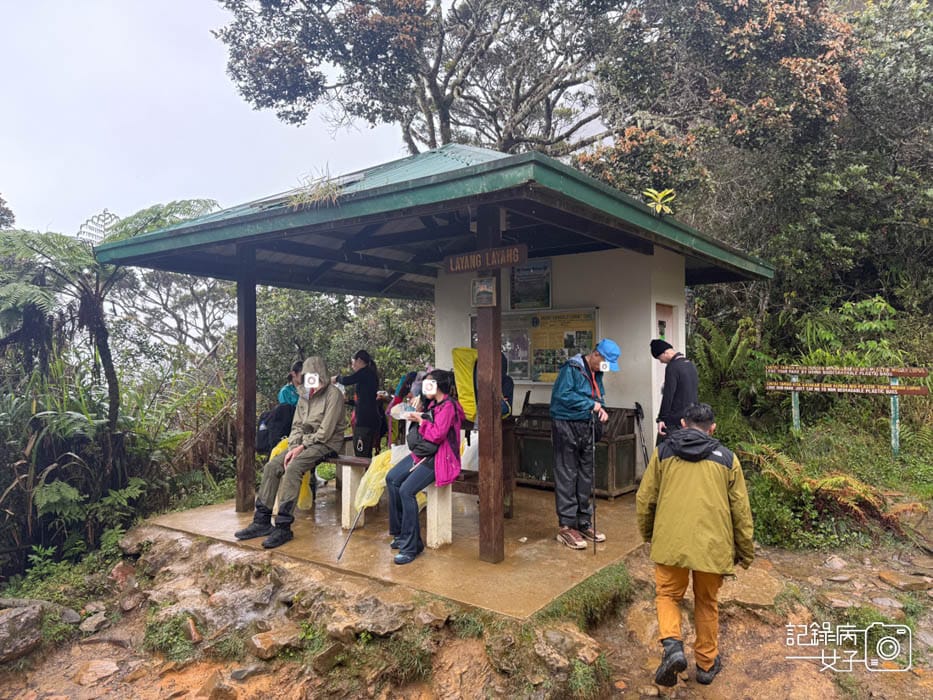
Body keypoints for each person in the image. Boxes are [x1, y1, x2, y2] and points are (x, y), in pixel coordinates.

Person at [635, 403, 754, 687]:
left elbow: (645, 499)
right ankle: (705, 664)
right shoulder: (727, 459)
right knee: (707, 602)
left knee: (667, 596)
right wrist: (745, 551)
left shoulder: (663, 453)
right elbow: (741, 511)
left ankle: (673, 648)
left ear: (683, 424)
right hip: (712, 547)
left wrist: (650, 534)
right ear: (713, 428)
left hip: (671, 543)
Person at [235, 356, 346, 548]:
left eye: (317, 378)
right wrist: (294, 446)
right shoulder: (304, 395)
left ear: (323, 376)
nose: (314, 383)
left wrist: (301, 447)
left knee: (293, 468)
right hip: (303, 441)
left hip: (326, 443)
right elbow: (296, 426)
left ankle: (283, 526)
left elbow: (326, 431)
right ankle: (261, 520)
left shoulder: (333, 395)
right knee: (272, 466)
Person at [385, 369, 464, 565]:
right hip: (424, 453)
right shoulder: (432, 403)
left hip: (441, 458)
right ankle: (402, 533)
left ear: (437, 386)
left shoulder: (449, 406)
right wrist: (416, 409)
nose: (424, 387)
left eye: (428, 384)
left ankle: (412, 546)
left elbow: (437, 435)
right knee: (392, 479)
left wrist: (421, 420)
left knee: (406, 490)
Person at [548, 338, 621, 550]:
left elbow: (600, 396)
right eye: (605, 362)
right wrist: (592, 404)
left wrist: (602, 408)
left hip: (586, 426)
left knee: (585, 474)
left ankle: (583, 521)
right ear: (596, 354)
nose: (605, 368)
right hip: (565, 425)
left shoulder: (598, 372)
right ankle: (566, 525)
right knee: (567, 473)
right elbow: (563, 395)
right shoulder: (571, 369)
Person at [333, 350, 381, 458]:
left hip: (364, 421)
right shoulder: (370, 374)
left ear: (359, 361)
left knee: (361, 455)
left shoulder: (365, 372)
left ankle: (363, 474)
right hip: (371, 418)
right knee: (366, 454)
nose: (352, 365)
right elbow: (364, 401)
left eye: (353, 362)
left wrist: (336, 378)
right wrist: (347, 401)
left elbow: (346, 380)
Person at [650, 339, 698, 445]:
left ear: (665, 352)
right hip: (690, 418)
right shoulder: (690, 364)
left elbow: (668, 395)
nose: (661, 361)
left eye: (659, 358)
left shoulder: (672, 367)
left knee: (663, 452)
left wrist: (661, 419)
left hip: (674, 422)